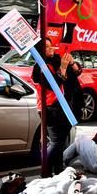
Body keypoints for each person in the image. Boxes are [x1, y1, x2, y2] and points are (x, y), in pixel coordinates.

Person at [32, 37, 75, 176]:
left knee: (61, 142)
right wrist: (63, 67)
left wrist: (70, 63)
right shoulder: (40, 66)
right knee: (56, 142)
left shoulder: (53, 61)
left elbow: (75, 73)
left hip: (60, 106)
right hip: (50, 107)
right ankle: (45, 171)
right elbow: (53, 85)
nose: (51, 48)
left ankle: (58, 170)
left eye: (51, 45)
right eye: (47, 47)